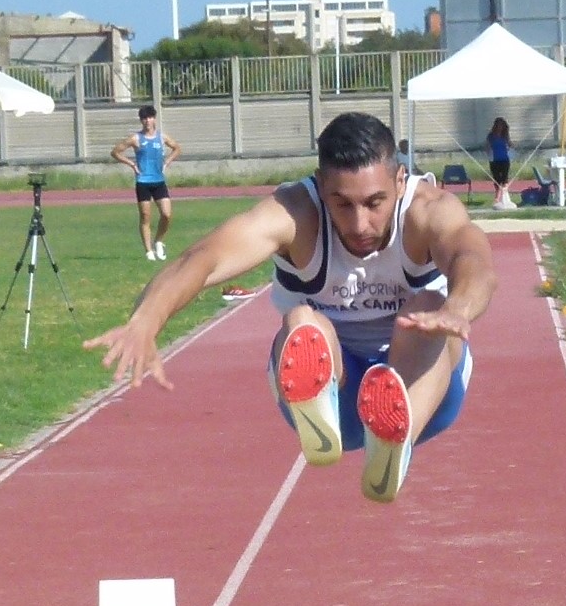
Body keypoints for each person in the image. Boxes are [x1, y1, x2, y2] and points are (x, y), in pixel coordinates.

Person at [85, 112, 497, 503]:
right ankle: (320, 407)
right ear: (320, 185)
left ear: (401, 180)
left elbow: (473, 258)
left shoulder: (429, 210)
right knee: (302, 320)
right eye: (342, 204)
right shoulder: (294, 213)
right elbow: (203, 258)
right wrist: (146, 321)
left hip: (424, 388)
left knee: (428, 307)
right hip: (333, 386)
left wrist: (458, 308)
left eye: (374, 203)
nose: (359, 224)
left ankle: (394, 441)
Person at [111, 105, 182, 261]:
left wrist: (167, 162)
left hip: (159, 181)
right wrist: (132, 164)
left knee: (166, 214)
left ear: (154, 119)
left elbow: (177, 148)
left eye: (150, 117)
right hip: (143, 182)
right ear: (141, 121)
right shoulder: (136, 138)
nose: (147, 121)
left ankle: (159, 241)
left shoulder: (161, 137)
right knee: (145, 216)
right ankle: (149, 251)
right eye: (144, 118)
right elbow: (115, 152)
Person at [485, 117, 516, 210]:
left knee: (504, 179)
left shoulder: (505, 135)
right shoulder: (491, 136)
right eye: (498, 125)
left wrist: (512, 147)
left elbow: (510, 144)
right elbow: (487, 147)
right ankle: (498, 196)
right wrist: (488, 152)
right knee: (496, 179)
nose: (500, 127)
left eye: (501, 125)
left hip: (504, 159)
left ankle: (501, 197)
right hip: (494, 160)